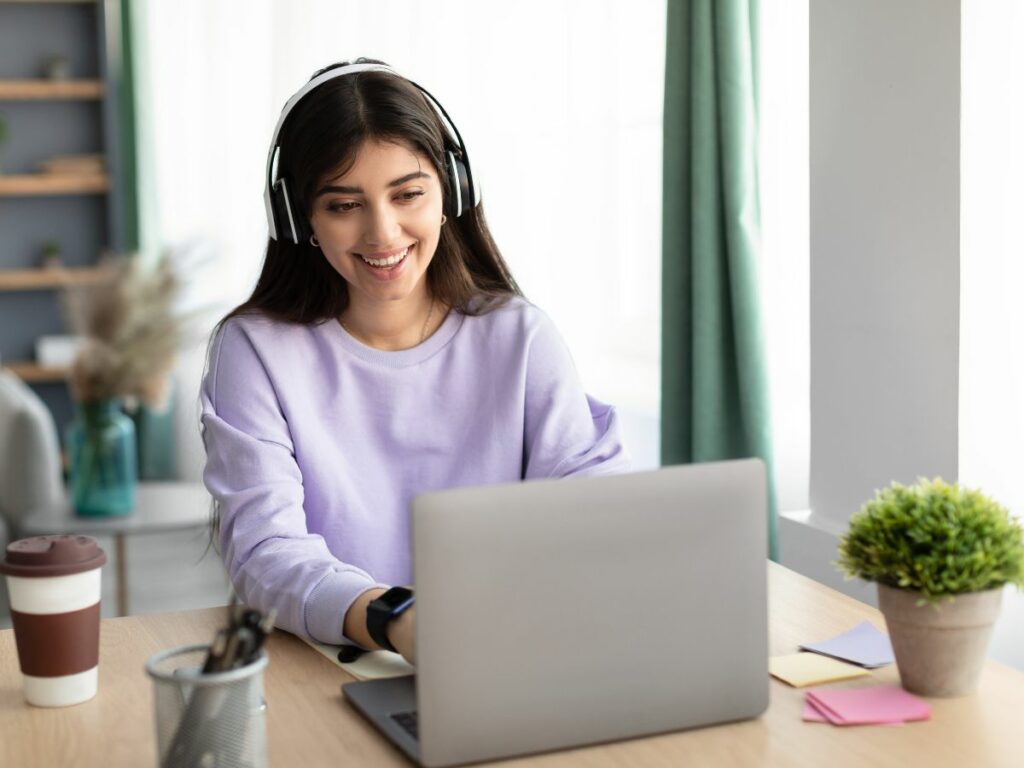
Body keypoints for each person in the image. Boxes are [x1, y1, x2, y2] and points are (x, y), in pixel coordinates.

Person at [200, 58, 630, 665]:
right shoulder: (255, 352)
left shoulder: (520, 337)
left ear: (450, 191)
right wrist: (397, 619)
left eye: (407, 194)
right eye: (344, 205)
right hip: (331, 666)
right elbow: (264, 550)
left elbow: (593, 499)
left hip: (510, 653)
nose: (383, 233)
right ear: (301, 221)